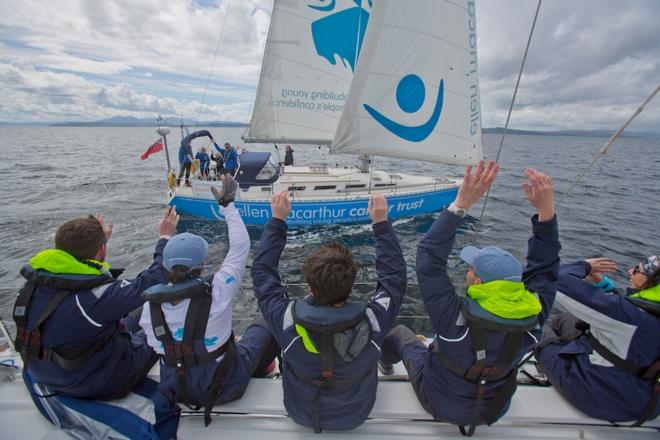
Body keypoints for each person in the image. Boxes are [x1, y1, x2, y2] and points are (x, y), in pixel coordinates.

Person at [379, 161, 560, 436]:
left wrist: (461, 203)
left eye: (471, 268)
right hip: (493, 410)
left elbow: (428, 257)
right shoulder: (535, 316)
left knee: (400, 334)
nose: (468, 270)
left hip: (438, 401)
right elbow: (545, 269)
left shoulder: (454, 322)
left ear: (478, 280)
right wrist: (546, 213)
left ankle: (385, 366)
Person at [251, 192, 406, 432]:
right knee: (394, 332)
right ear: (351, 284)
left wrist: (277, 220)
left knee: (266, 321)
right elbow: (394, 280)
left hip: (301, 413)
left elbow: (262, 273)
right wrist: (381, 224)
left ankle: (261, 370)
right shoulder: (374, 320)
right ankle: (387, 364)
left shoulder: (286, 319)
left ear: (310, 288)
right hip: (356, 415)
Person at [139, 175, 280, 426]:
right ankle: (259, 373)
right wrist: (228, 206)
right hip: (226, 385)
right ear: (202, 266)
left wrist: (164, 237)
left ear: (164, 265)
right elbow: (240, 246)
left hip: (176, 390)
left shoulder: (148, 310)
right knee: (269, 320)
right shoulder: (218, 291)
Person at [13, 208, 180, 399]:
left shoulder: (34, 283)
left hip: (48, 372)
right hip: (92, 382)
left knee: (141, 309)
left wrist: (99, 243)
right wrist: (165, 237)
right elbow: (155, 279)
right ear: (101, 249)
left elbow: (85, 274)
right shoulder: (94, 300)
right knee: (166, 319)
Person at [535, 255, 660, 426]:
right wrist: (603, 285)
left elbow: (555, 280)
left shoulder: (631, 317)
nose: (631, 271)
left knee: (538, 330)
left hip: (599, 397)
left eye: (638, 270)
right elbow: (627, 318)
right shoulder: (647, 313)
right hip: (647, 400)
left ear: (651, 282)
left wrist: (585, 266)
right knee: (562, 319)